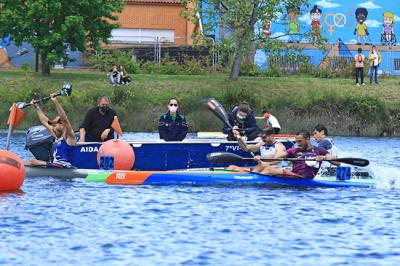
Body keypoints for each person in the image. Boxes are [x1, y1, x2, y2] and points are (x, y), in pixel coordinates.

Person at [26, 94, 76, 168]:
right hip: (56, 166)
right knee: (29, 161)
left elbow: (64, 118)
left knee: (30, 162)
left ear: (62, 125)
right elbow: (44, 122)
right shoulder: (57, 137)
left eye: (55, 125)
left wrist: (55, 101)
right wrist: (37, 107)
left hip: (65, 166)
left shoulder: (68, 136)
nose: (52, 127)